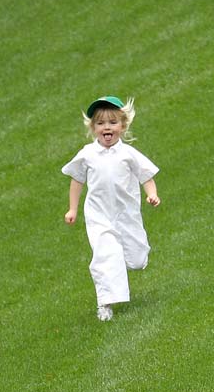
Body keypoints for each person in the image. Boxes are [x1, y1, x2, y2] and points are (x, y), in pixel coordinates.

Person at [62, 96, 160, 321]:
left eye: (112, 122)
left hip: (127, 215)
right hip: (99, 215)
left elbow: (147, 176)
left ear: (122, 126)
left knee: (137, 260)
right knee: (105, 256)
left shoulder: (128, 154)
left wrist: (152, 195)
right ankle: (105, 304)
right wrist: (72, 209)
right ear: (93, 128)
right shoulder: (87, 154)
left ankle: (128, 254)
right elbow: (77, 180)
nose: (107, 127)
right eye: (100, 123)